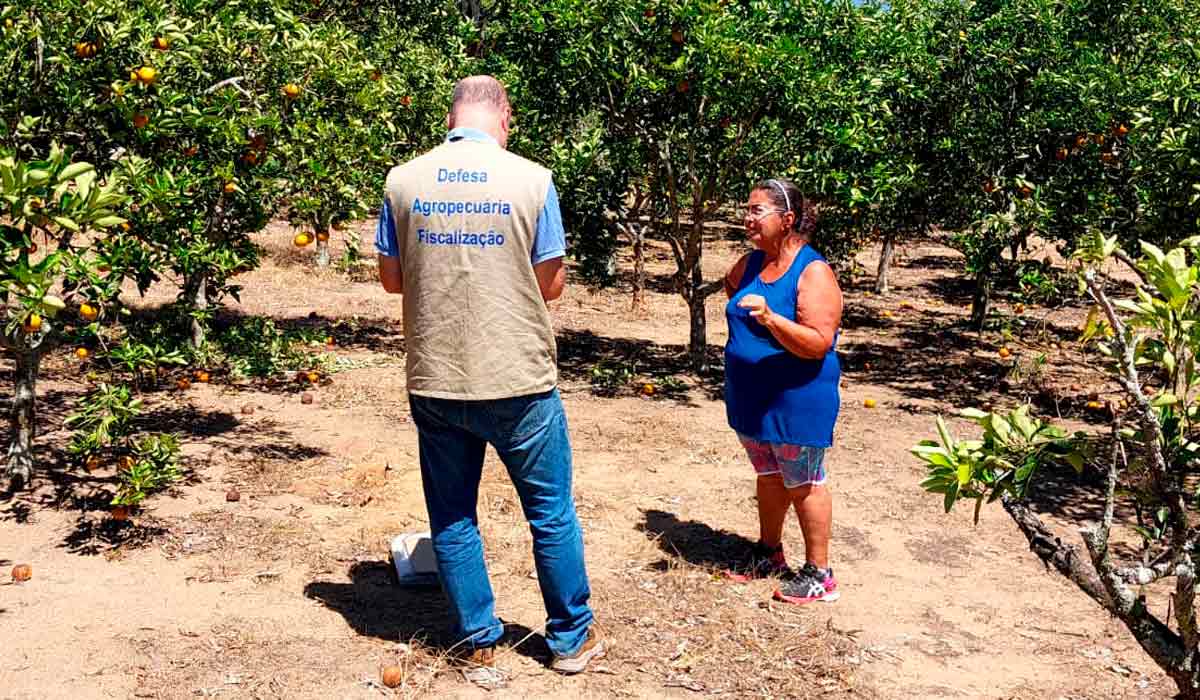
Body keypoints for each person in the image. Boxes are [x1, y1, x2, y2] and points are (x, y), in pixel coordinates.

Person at [374, 75, 603, 678]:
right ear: (504, 117)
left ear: (451, 118)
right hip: (519, 377)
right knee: (550, 512)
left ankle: (478, 642)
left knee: (453, 517)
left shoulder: (403, 180)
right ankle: (569, 640)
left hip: (437, 375)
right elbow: (551, 286)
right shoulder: (534, 180)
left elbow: (392, 281)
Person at [722, 178, 843, 605]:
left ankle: (819, 574)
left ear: (787, 218)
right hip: (752, 399)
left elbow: (818, 343)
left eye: (757, 210)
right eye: (747, 209)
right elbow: (732, 290)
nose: (748, 218)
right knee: (770, 474)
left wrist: (772, 319)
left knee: (804, 482)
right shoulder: (751, 264)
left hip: (796, 400)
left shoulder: (813, 272)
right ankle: (768, 551)